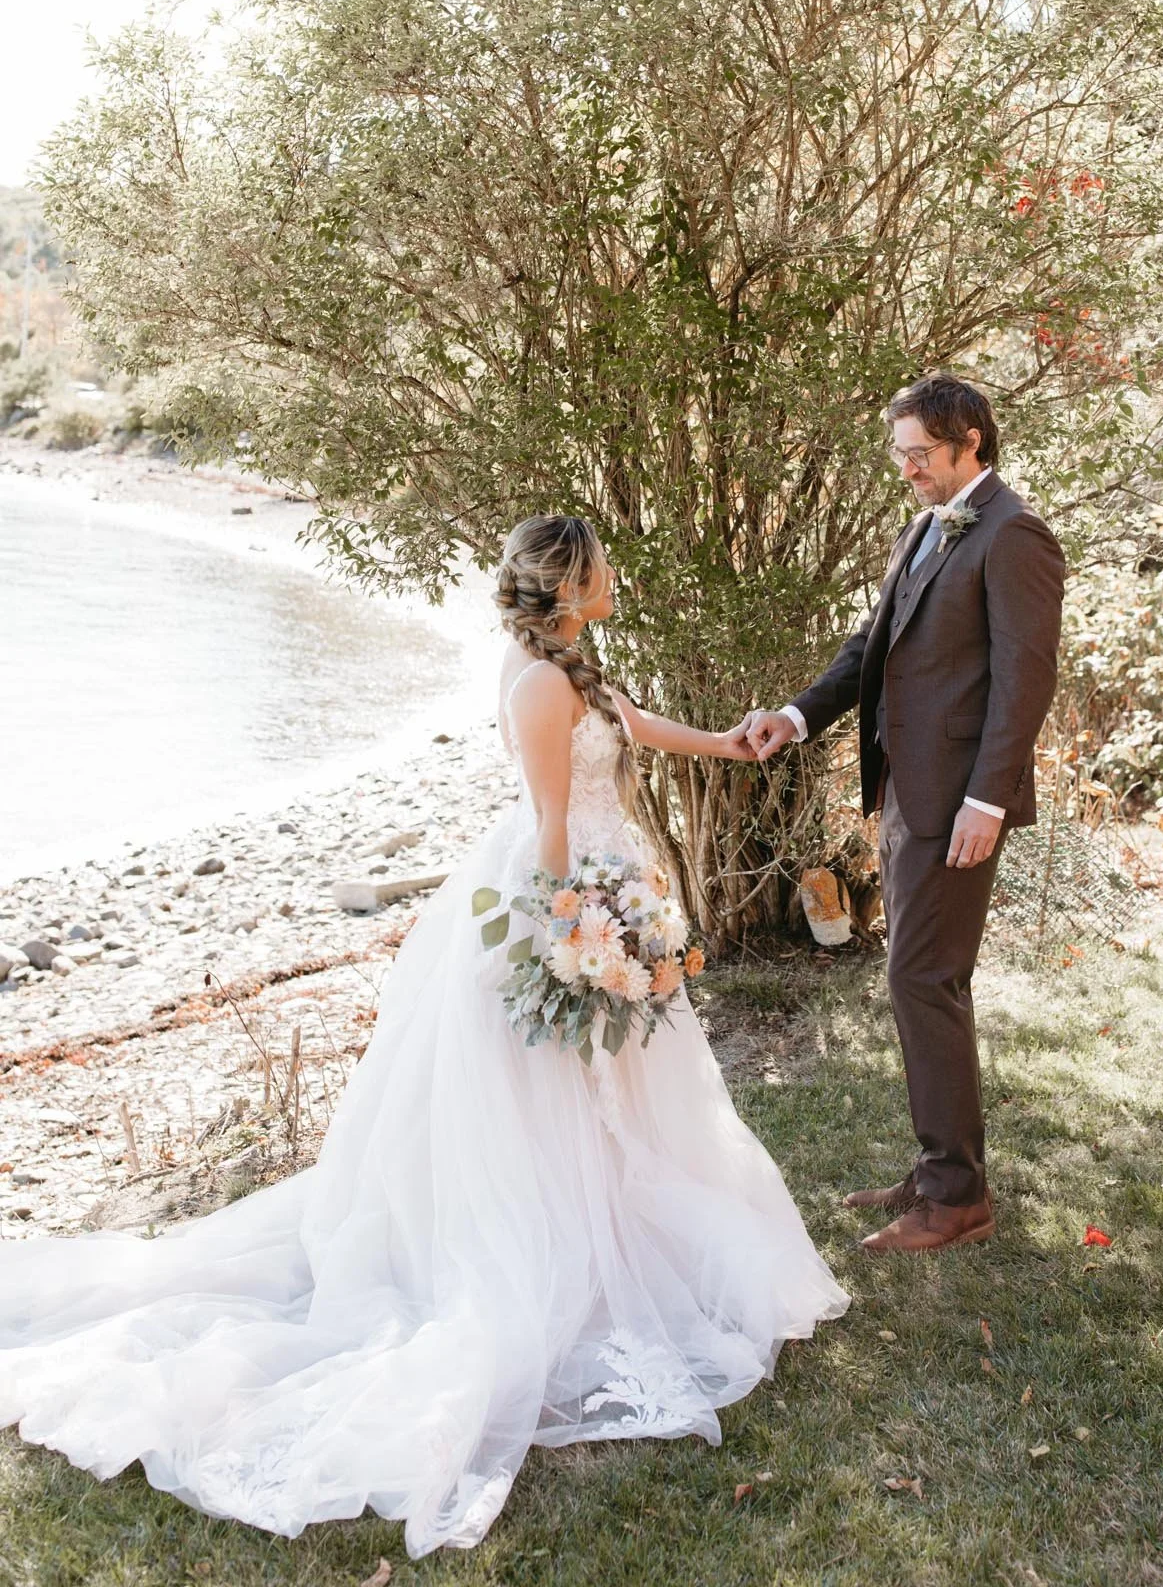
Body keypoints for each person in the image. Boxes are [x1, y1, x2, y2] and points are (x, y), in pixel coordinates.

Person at [0, 514, 847, 1556]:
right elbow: (548, 814)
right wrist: (568, 931)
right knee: (550, 1095)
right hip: (564, 890)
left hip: (606, 877)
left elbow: (632, 725)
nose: (617, 572)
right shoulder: (538, 684)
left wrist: (730, 742)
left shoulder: (572, 664)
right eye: (603, 566)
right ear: (572, 584)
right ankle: (562, 1251)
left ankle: (620, 1226)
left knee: (625, 1090)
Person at [744, 376, 1066, 1255]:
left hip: (957, 802)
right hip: (906, 794)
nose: (908, 471)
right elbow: (871, 649)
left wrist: (986, 801)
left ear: (969, 442)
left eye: (919, 455)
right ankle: (937, 1171)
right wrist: (798, 716)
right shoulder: (926, 526)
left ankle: (956, 1196)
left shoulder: (1014, 534)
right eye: (901, 456)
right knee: (921, 981)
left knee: (923, 981)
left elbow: (1023, 681)